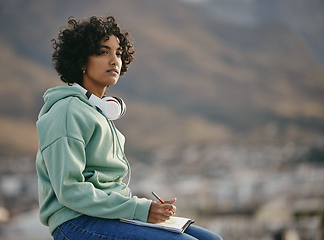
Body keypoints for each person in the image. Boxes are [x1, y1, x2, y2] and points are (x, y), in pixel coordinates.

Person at [35, 16, 222, 240]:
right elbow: (70, 190)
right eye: (103, 52)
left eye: (119, 53)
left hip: (107, 216)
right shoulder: (67, 111)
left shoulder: (97, 111)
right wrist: (141, 210)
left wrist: (141, 208)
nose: (114, 60)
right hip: (75, 222)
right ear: (81, 61)